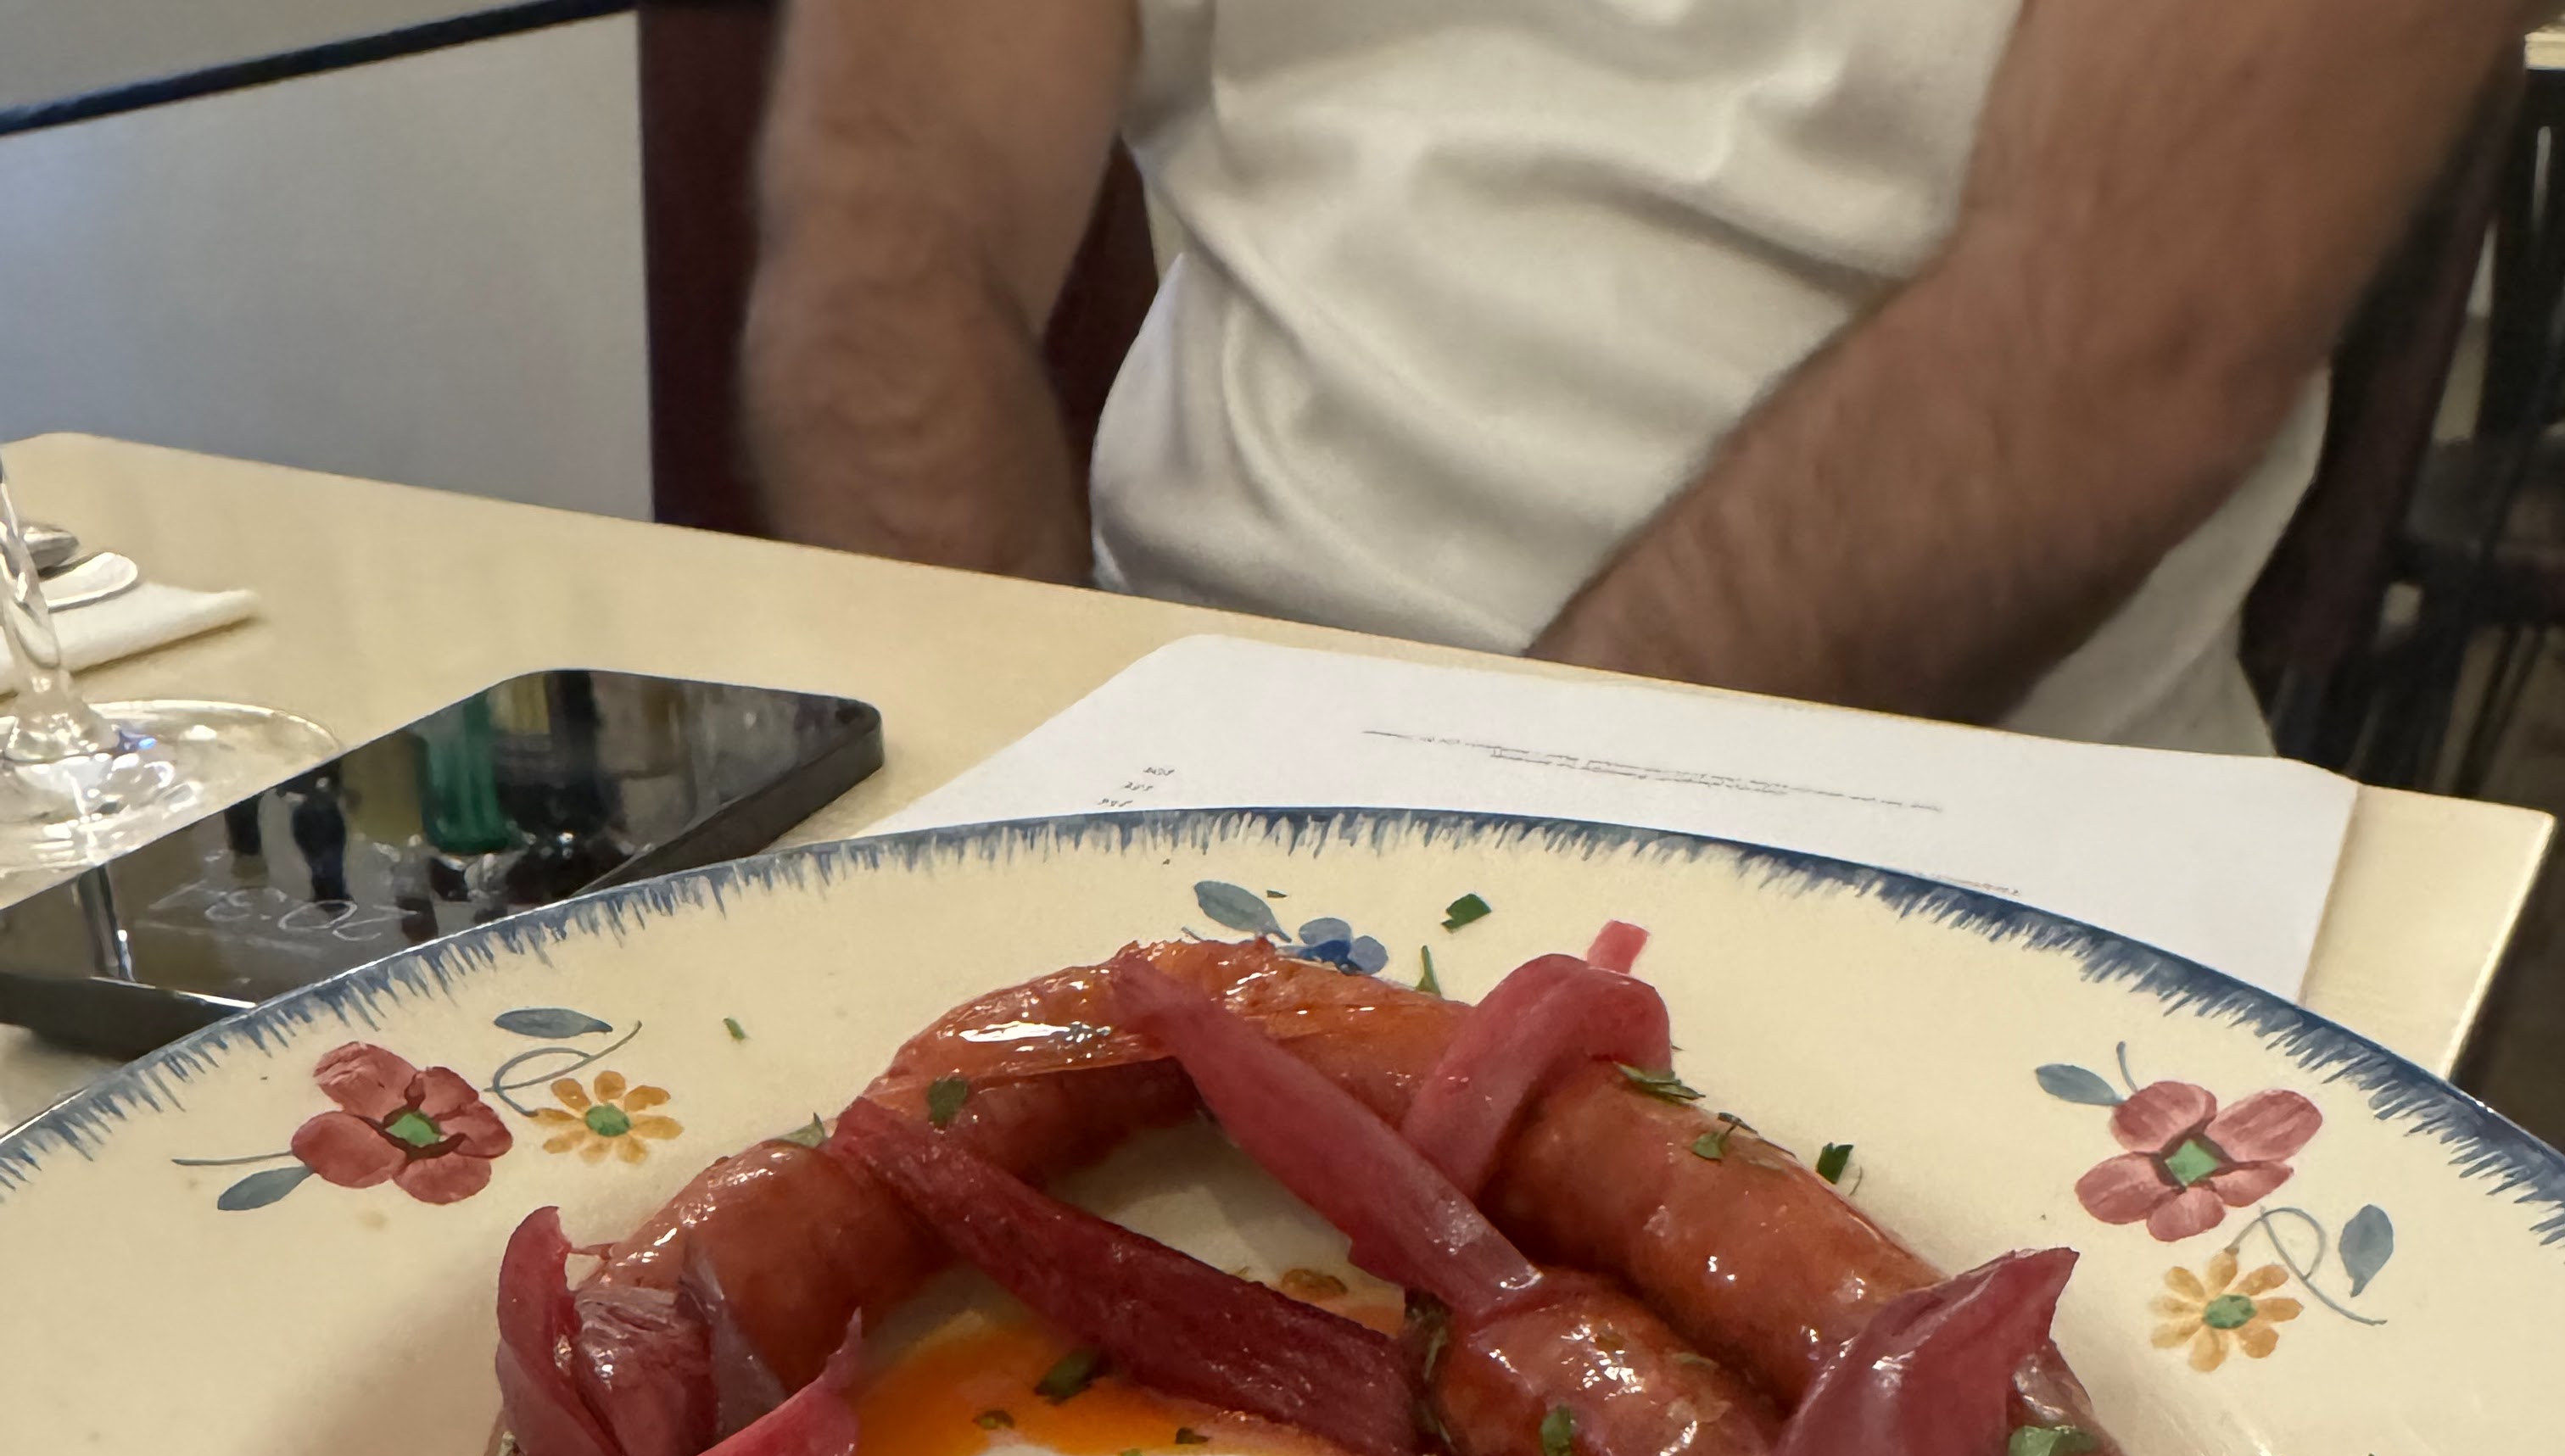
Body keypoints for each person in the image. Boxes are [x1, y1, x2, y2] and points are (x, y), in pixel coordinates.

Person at [743, 0, 2533, 755]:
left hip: (1981, 845)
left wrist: (1446, 925)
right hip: (1173, 762)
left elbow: (2116, 342)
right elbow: (892, 201)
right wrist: (1012, 812)